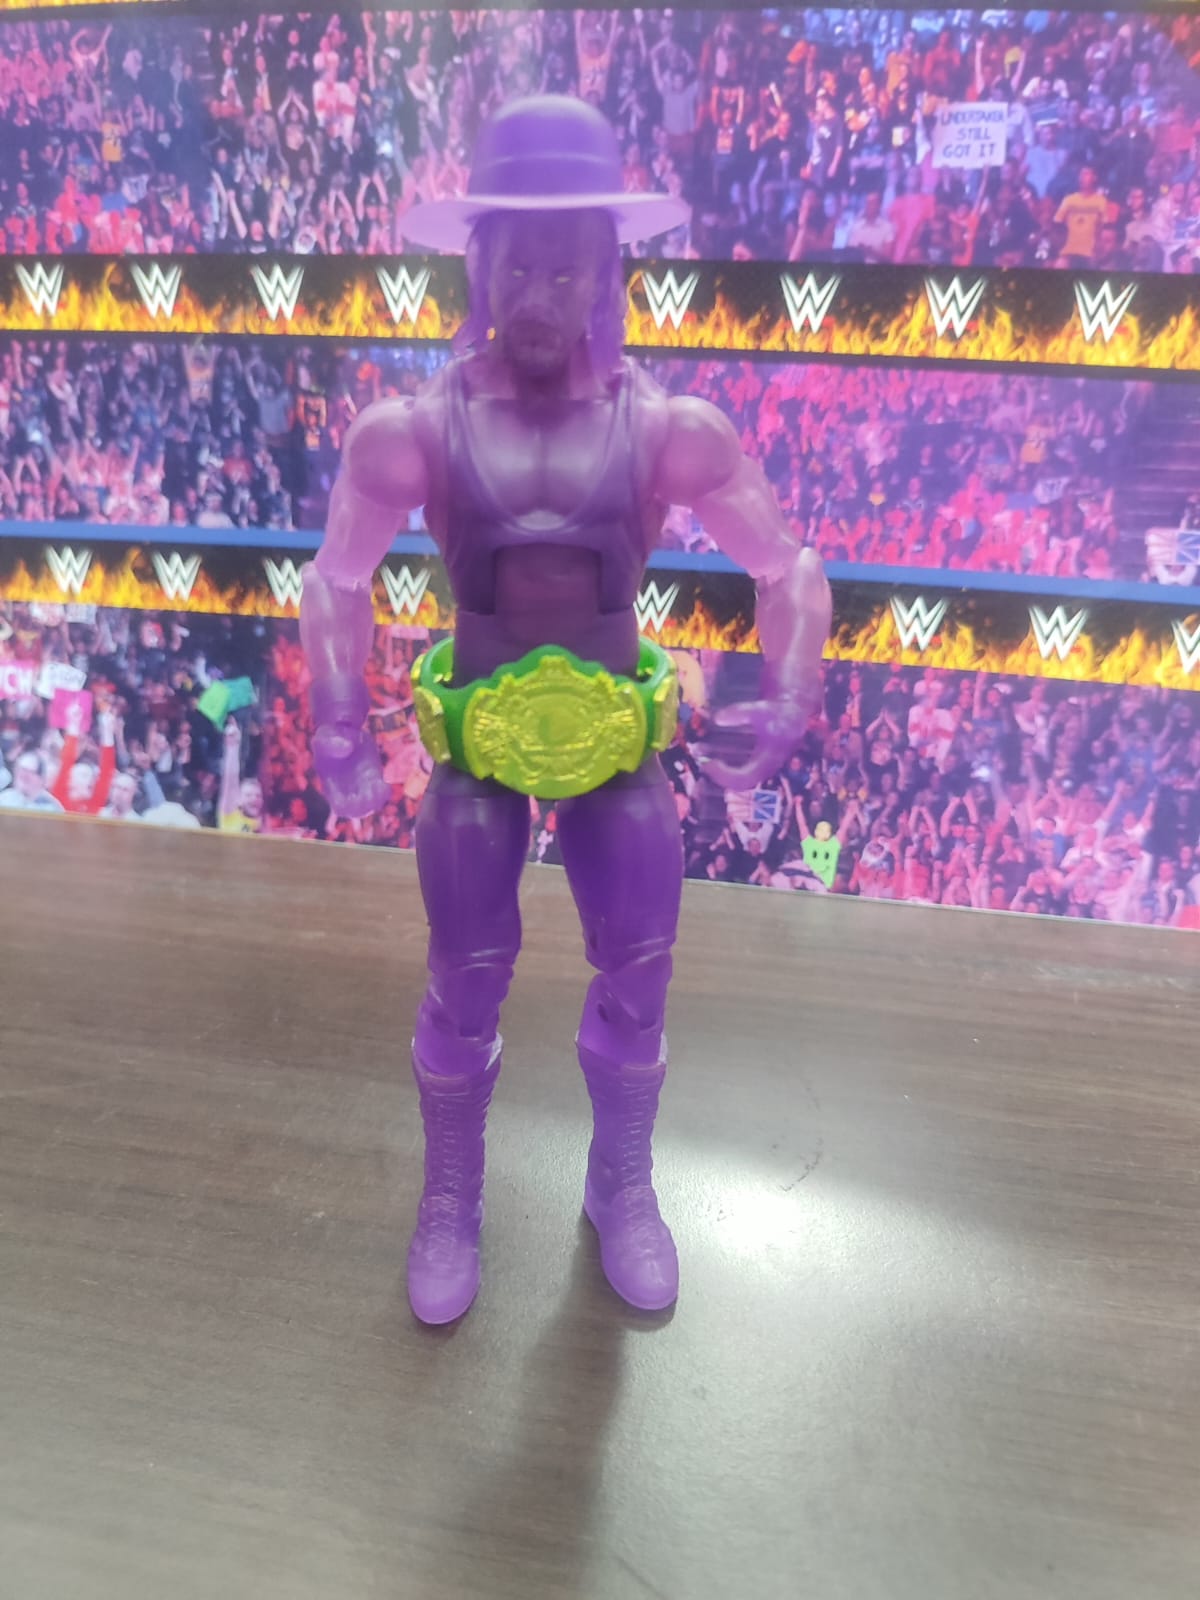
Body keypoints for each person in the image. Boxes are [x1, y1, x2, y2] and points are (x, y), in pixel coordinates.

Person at [299, 97, 831, 1325]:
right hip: (478, 745)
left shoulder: (668, 431)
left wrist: (789, 694)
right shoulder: (412, 433)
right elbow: (336, 577)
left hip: (615, 747)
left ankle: (621, 1184)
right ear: (478, 265)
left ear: (604, 272)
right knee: (464, 977)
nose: (538, 293)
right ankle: (451, 1199)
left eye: (564, 266)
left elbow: (786, 565)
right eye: (518, 264)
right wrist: (334, 721)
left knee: (640, 969)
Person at [0, 751, 65, 813]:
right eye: (20, 770)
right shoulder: (5, 797)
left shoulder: (50, 806)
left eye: (29, 772)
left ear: (40, 779)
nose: (22, 775)